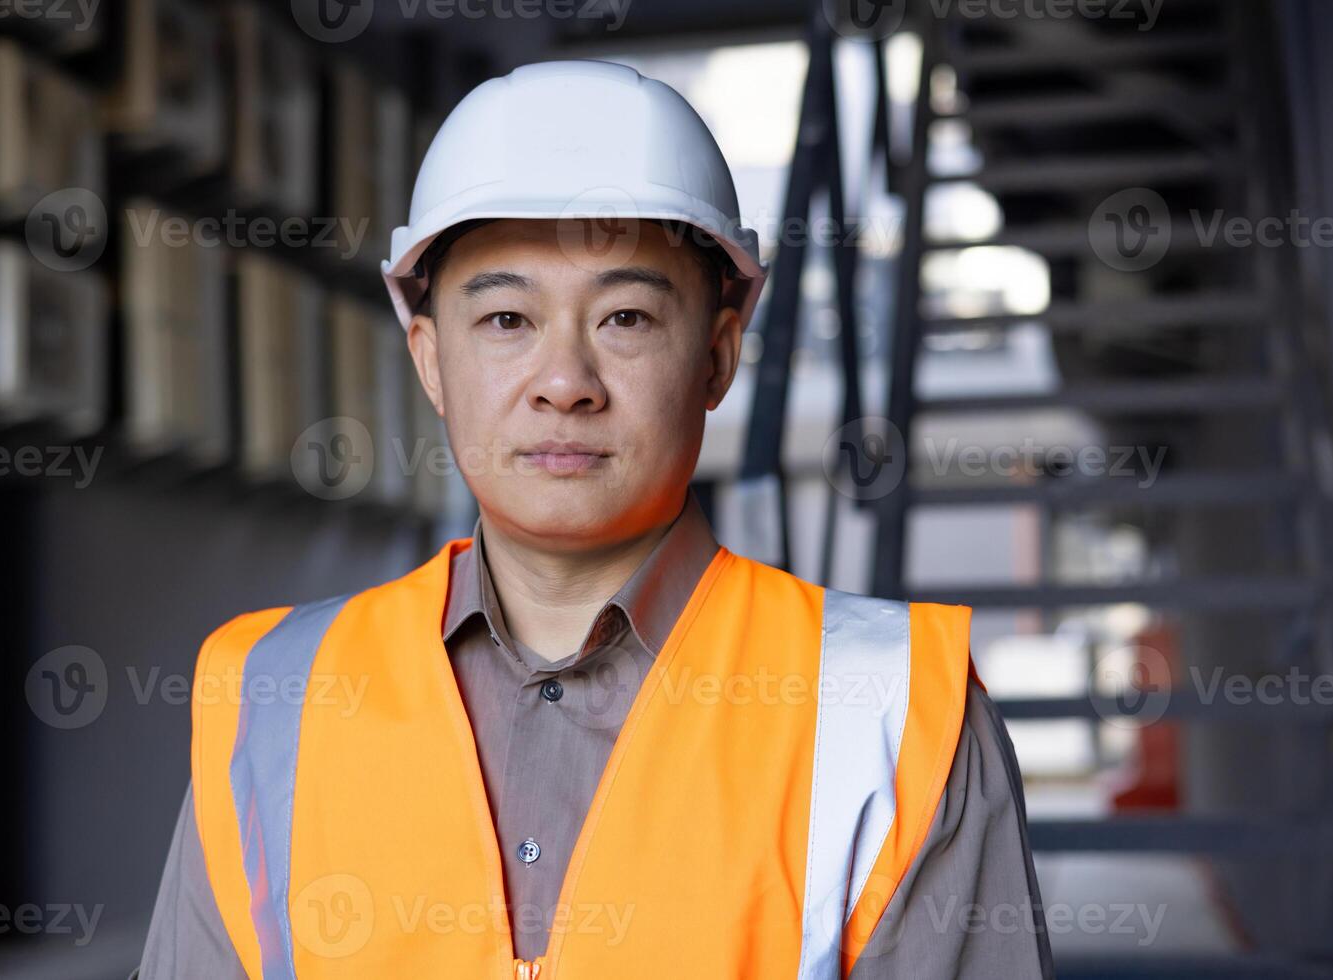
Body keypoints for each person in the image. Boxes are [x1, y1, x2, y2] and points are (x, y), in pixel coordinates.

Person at [138, 60, 1053, 979]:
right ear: (430, 360)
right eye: (505, 319)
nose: (565, 383)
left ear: (717, 356)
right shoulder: (274, 702)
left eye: (624, 317)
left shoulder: (894, 712)